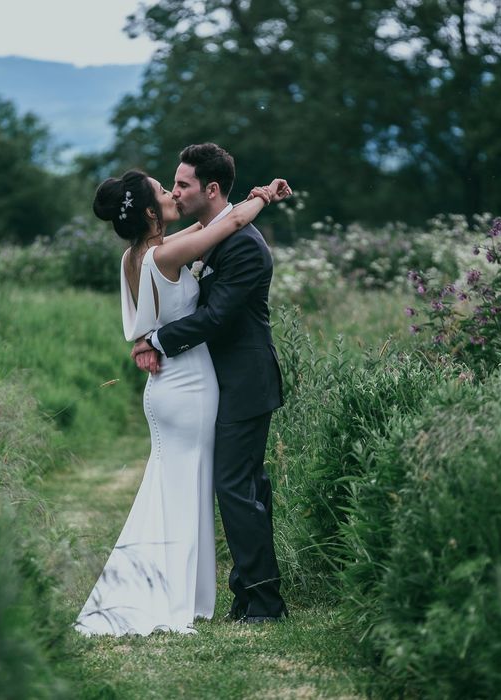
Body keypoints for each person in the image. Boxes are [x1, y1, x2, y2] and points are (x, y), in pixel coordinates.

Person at [74, 166, 290, 636]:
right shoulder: (167, 254)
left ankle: (190, 587)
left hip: (163, 390)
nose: (172, 193)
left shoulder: (134, 257)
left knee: (174, 487)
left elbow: (209, 227)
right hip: (189, 386)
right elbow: (228, 225)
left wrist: (149, 338)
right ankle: (185, 593)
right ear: (151, 213)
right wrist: (265, 197)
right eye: (162, 190)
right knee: (200, 489)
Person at [131, 143, 289, 623]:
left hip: (246, 381)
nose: (175, 192)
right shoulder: (214, 236)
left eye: (182, 184)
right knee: (244, 487)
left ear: (211, 189)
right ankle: (250, 594)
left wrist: (155, 338)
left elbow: (217, 316)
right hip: (222, 383)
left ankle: (262, 604)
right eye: (173, 185)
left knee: (235, 487)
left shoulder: (243, 246)